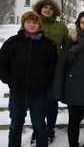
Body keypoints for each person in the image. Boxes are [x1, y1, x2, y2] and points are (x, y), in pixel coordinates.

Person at [0, 11, 58, 147]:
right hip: (17, 93)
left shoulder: (48, 44)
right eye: (29, 22)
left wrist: (44, 79)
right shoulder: (12, 43)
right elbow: (2, 65)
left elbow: (53, 66)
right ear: (23, 23)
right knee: (15, 127)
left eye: (35, 22)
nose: (32, 25)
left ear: (39, 24)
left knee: (39, 126)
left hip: (38, 94)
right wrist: (9, 80)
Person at [52, 11, 84, 147]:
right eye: (82, 22)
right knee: (74, 121)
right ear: (78, 24)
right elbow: (62, 64)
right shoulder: (72, 39)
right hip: (74, 86)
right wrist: (58, 88)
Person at [32, 0, 69, 143]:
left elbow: (67, 47)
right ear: (40, 8)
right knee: (36, 102)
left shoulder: (61, 27)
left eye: (51, 8)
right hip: (35, 70)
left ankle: (50, 129)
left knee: (51, 101)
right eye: (45, 7)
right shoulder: (32, 23)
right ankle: (37, 129)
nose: (48, 10)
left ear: (54, 11)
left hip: (54, 70)